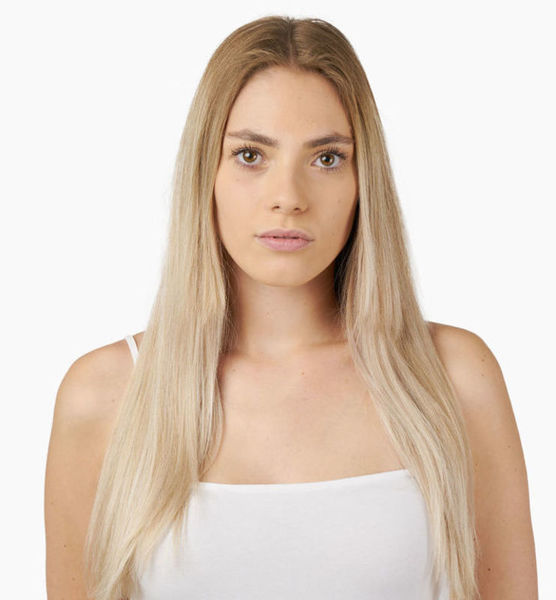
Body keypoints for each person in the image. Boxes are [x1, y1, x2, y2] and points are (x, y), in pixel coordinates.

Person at [44, 15, 538, 600]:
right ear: (206, 172)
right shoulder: (104, 397)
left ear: (363, 180)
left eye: (326, 158)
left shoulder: (453, 379)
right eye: (251, 154)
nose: (288, 198)